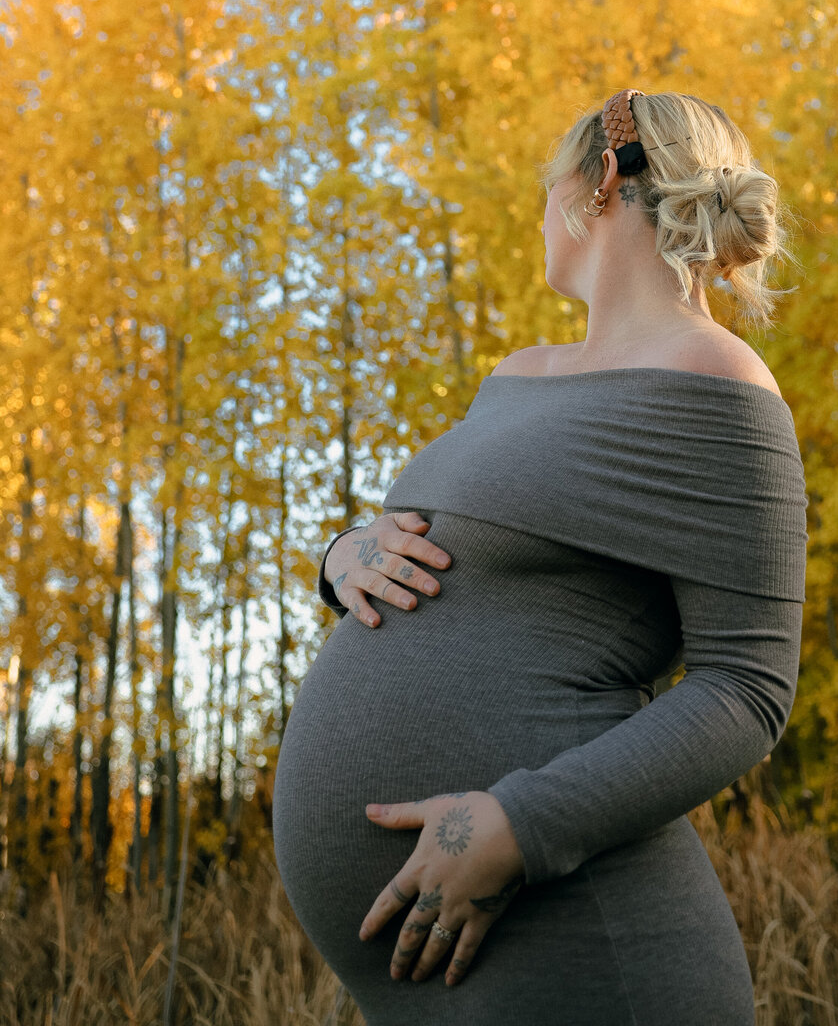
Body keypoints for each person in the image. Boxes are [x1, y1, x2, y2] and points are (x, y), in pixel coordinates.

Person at [273, 89, 807, 1024]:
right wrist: (344, 552)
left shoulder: (718, 380)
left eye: (543, 184)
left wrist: (520, 827)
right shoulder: (518, 375)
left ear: (599, 180)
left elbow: (747, 689)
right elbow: (450, 558)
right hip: (432, 974)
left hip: (581, 937)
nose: (537, 210)